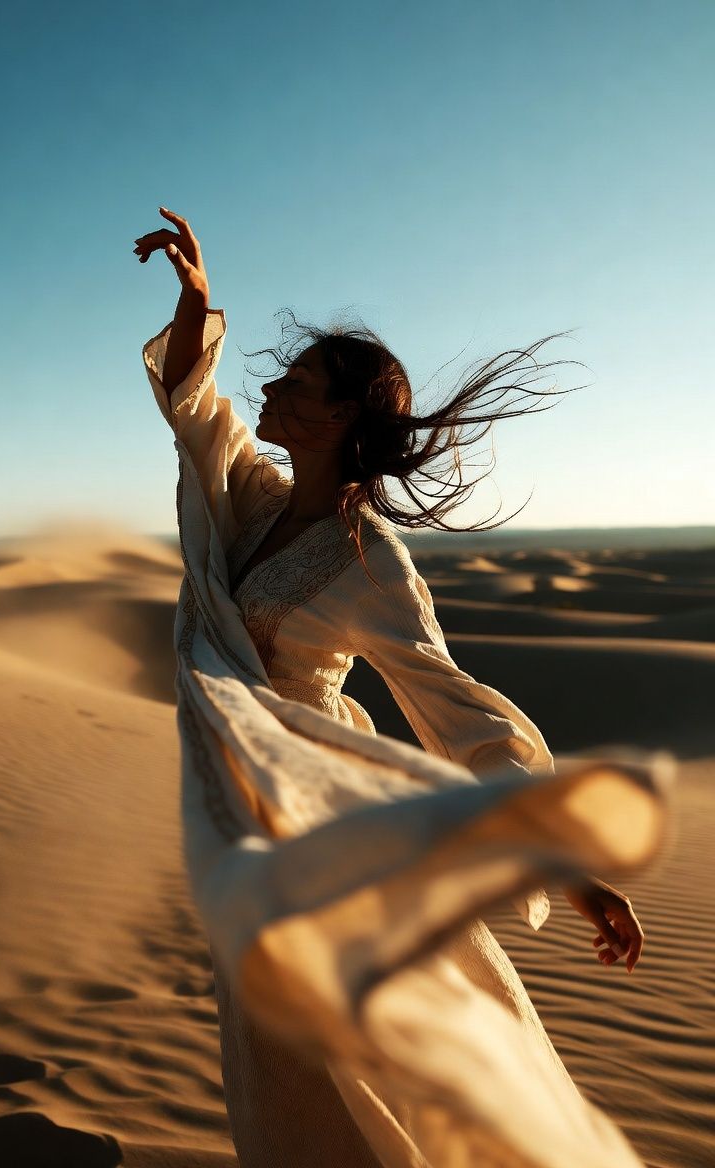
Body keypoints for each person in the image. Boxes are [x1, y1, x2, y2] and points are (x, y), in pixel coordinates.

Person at [134, 207, 663, 1168]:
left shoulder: (369, 561)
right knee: (278, 1073)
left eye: (295, 382)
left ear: (339, 415)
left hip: (317, 834)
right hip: (249, 831)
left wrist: (570, 871)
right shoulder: (254, 502)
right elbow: (195, 409)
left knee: (350, 1065)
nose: (270, 384)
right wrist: (197, 303)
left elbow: (454, 714)